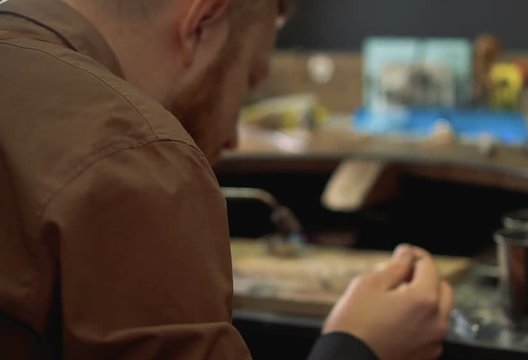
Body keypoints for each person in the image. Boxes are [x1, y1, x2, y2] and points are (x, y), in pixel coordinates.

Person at [0, 0, 453, 359]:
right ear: (203, 22)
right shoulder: (134, 150)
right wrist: (357, 348)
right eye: (248, 79)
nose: (234, 136)